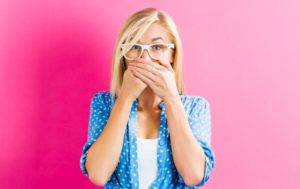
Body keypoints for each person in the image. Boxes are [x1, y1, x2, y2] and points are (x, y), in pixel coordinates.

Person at [79, 7, 216, 189]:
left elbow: (193, 176)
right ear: (124, 55)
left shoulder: (195, 108)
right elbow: (98, 174)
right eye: (135, 46)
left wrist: (171, 97)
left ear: (172, 54)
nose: (145, 57)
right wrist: (126, 98)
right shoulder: (104, 104)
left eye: (157, 47)